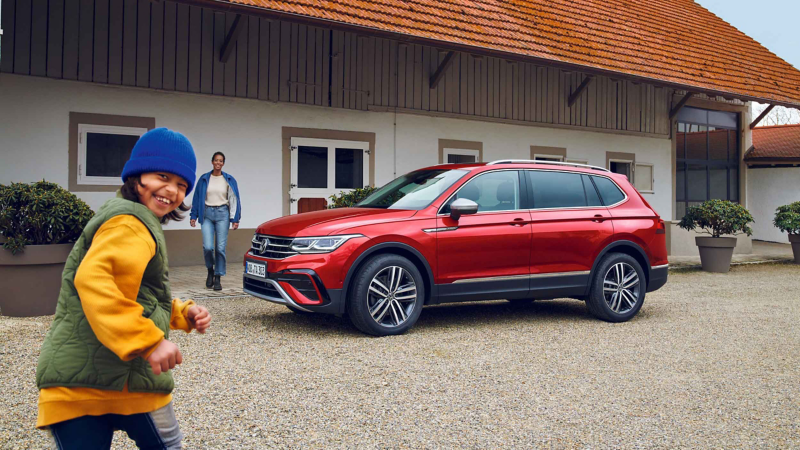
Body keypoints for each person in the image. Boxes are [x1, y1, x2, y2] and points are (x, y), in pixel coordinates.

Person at [35, 127, 212, 449]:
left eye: (182, 184)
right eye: (162, 176)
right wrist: (147, 341)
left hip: (80, 385)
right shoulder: (130, 223)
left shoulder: (127, 218)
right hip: (118, 382)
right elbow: (94, 280)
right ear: (135, 176)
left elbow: (134, 292)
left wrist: (182, 313)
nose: (171, 190)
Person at [190, 151, 241, 291]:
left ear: (223, 163)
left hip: (222, 214)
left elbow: (235, 199)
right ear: (212, 162)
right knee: (208, 247)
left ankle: (218, 277)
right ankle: (210, 270)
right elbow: (197, 197)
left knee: (220, 248)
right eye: (216, 160)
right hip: (206, 213)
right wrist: (193, 216)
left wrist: (235, 218)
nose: (218, 163)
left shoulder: (229, 179)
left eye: (221, 161)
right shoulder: (204, 179)